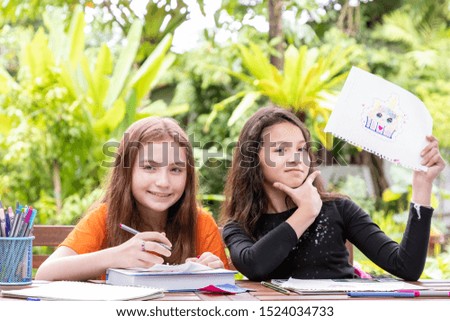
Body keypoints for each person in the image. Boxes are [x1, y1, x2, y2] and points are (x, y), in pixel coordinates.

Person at [221, 106, 446, 281]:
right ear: (252, 160)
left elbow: (406, 267)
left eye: (301, 149)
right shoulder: (240, 226)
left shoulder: (339, 209)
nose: (295, 158)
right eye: (280, 150)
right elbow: (255, 266)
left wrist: (422, 185)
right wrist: (306, 212)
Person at [36, 117, 228, 281]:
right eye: (149, 167)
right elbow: (45, 273)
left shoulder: (200, 223)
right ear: (126, 172)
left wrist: (213, 272)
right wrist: (117, 256)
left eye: (175, 169)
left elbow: (229, 292)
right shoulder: (104, 218)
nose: (163, 182)